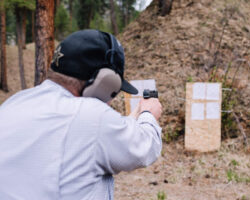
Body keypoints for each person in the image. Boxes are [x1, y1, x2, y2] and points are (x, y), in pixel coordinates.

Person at [0, 30, 162, 200]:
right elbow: (144, 148)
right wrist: (148, 114)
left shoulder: (14, 103)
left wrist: (135, 117)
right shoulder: (90, 116)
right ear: (104, 84)